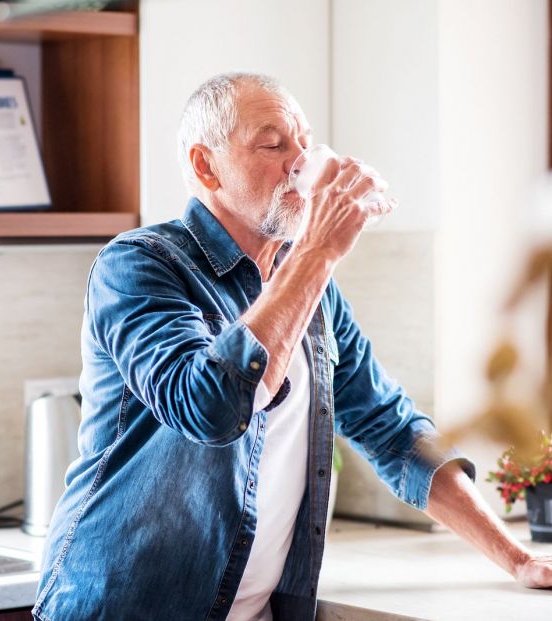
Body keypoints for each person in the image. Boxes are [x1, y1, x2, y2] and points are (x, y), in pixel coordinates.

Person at [32, 72, 552, 621]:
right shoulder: (140, 264)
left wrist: (519, 559)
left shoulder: (310, 287)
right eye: (273, 144)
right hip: (123, 607)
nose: (300, 162)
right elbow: (207, 407)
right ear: (206, 166)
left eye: (303, 142)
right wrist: (317, 252)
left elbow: (392, 431)